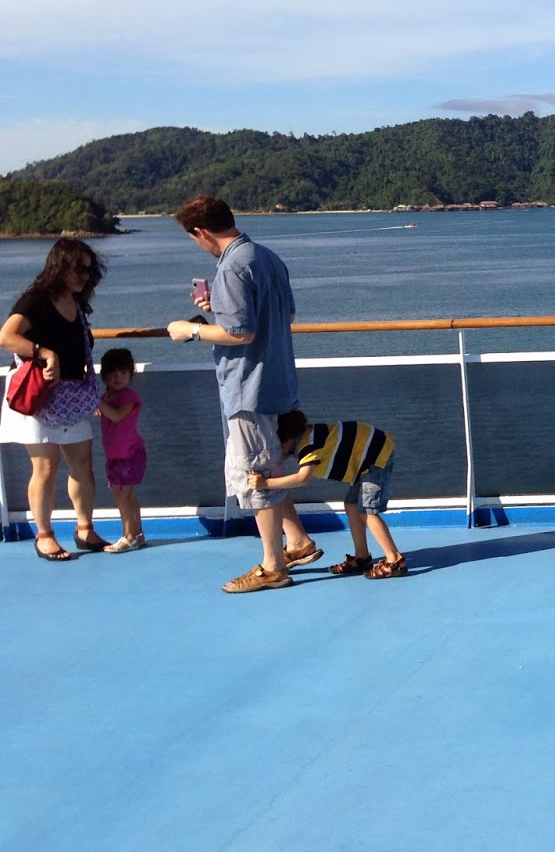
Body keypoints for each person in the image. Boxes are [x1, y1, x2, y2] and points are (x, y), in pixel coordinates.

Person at [167, 194, 321, 593]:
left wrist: (192, 330)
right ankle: (298, 542)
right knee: (271, 466)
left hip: (249, 386)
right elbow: (284, 315)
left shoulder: (232, 267)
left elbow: (241, 333)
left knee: (256, 475)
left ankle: (272, 566)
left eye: (193, 238)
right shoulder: (267, 257)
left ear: (201, 232)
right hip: (278, 379)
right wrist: (218, 308)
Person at [1, 238, 110, 560]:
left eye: (88, 271)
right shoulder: (36, 300)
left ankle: (84, 529)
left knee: (83, 466)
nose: (84, 276)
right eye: (78, 269)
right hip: (39, 398)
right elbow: (6, 336)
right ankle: (44, 535)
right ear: (59, 268)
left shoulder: (77, 303)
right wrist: (45, 353)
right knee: (45, 467)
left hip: (72, 397)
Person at [248, 410, 408, 579]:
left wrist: (265, 483)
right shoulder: (309, 433)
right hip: (367, 455)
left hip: (374, 456)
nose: (277, 452)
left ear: (287, 439)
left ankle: (395, 559)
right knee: (352, 505)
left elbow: (303, 478)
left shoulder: (307, 446)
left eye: (277, 446)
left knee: (367, 512)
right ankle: (362, 558)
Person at [94, 347, 147, 552]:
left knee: (123, 494)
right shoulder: (107, 397)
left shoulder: (129, 396)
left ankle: (129, 536)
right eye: (112, 373)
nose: (118, 377)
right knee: (125, 494)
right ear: (104, 375)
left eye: (123, 373)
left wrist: (96, 401)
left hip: (130, 454)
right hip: (115, 455)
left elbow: (116, 416)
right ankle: (138, 534)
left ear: (130, 375)